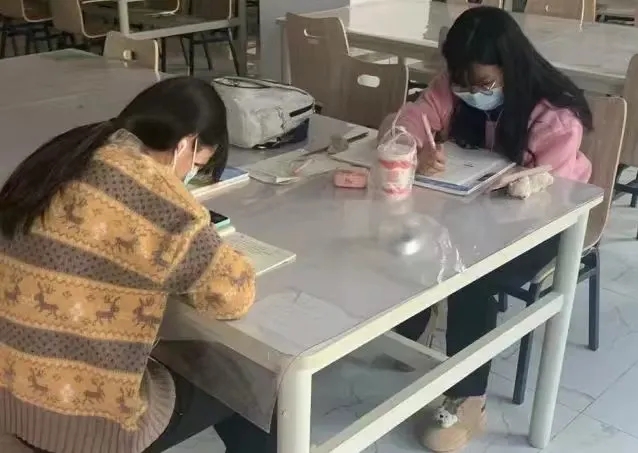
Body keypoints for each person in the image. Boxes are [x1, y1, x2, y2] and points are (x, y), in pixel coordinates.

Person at [0, 77, 276, 453]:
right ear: (186, 144)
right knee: (252, 383)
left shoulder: (67, 154)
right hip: (83, 429)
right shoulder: (159, 199)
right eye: (196, 165)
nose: (186, 178)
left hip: (11, 397)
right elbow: (232, 296)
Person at [386, 7, 593, 452]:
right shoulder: (455, 86)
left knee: (472, 273)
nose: (471, 93)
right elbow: (410, 119)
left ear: (510, 67)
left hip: (543, 223)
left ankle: (469, 398)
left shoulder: (555, 117)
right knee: (406, 231)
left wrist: (504, 186)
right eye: (462, 83)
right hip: (472, 208)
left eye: (483, 84)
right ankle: (414, 325)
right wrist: (418, 146)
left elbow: (544, 191)